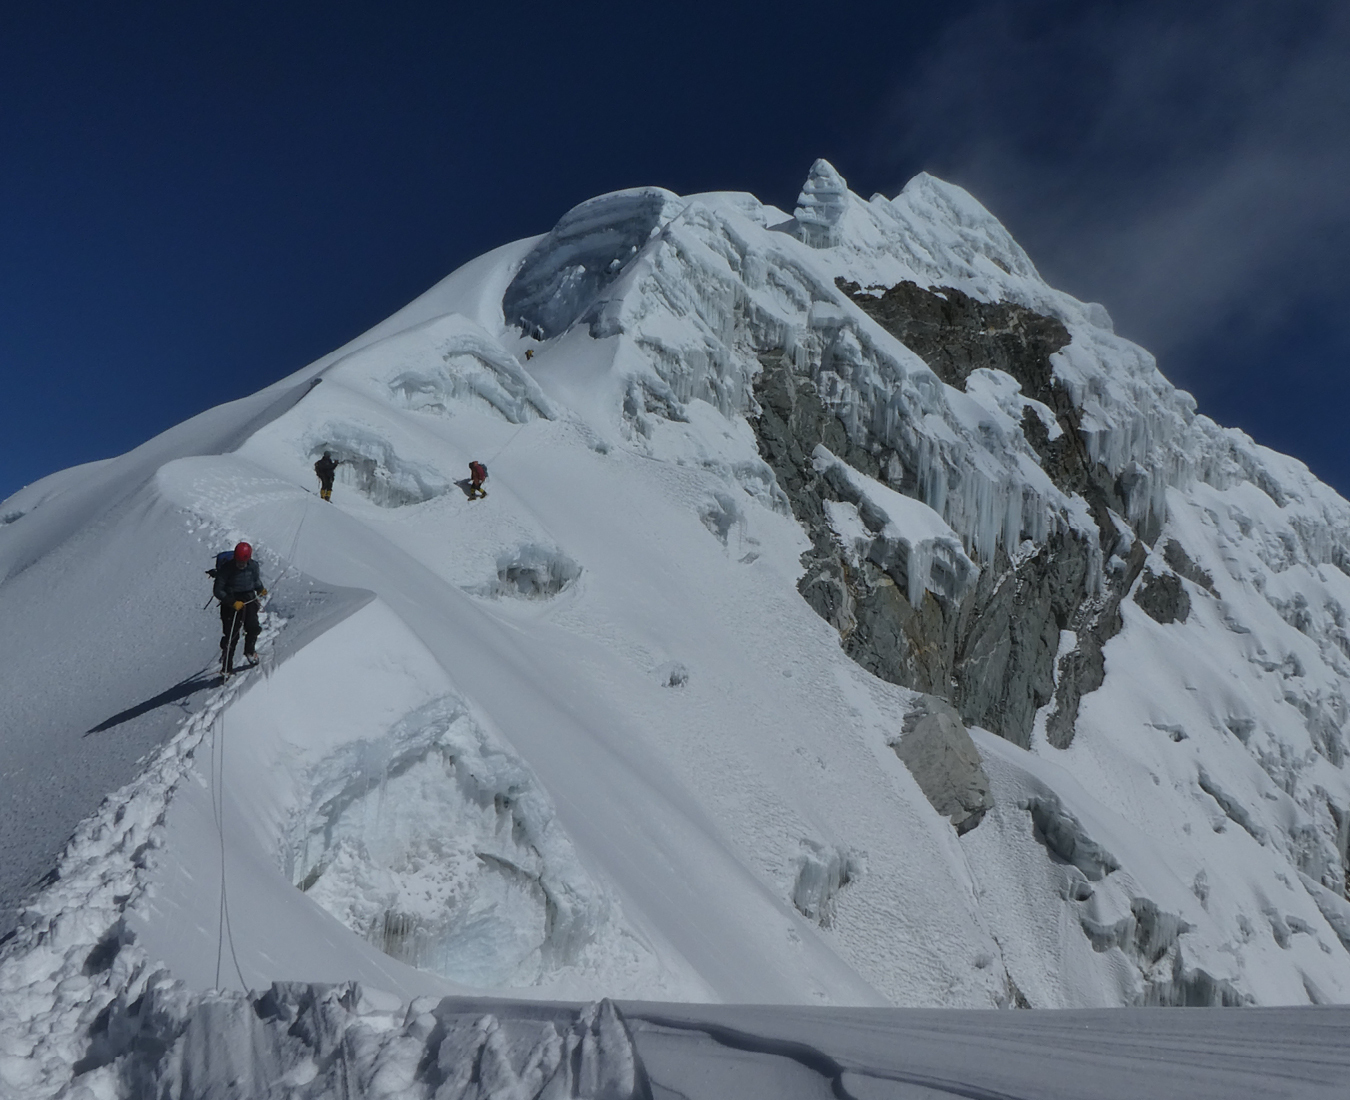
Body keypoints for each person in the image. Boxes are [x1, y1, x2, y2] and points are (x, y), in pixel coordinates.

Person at [214, 541, 267, 674]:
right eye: (238, 562)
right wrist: (231, 602)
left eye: (243, 562)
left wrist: (260, 589)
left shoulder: (253, 566)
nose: (240, 565)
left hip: (249, 598)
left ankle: (249, 651)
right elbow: (218, 590)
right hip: (231, 601)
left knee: (253, 627)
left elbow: (255, 580)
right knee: (231, 636)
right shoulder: (226, 569)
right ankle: (226, 667)